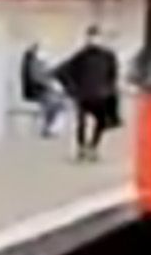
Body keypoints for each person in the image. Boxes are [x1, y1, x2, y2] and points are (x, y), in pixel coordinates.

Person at [58, 29, 122, 161]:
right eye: (91, 38)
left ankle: (93, 147)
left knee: (101, 122)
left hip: (101, 95)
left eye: (96, 37)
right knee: (82, 122)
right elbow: (61, 71)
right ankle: (82, 148)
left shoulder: (108, 56)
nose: (94, 41)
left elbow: (113, 75)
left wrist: (110, 89)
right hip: (84, 95)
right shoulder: (81, 56)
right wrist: (72, 89)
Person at [19, 42, 63, 138]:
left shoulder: (31, 60)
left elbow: (40, 76)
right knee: (58, 104)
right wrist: (52, 85)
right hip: (39, 90)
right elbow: (37, 78)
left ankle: (48, 127)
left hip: (39, 89)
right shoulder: (34, 62)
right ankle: (48, 128)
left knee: (57, 103)